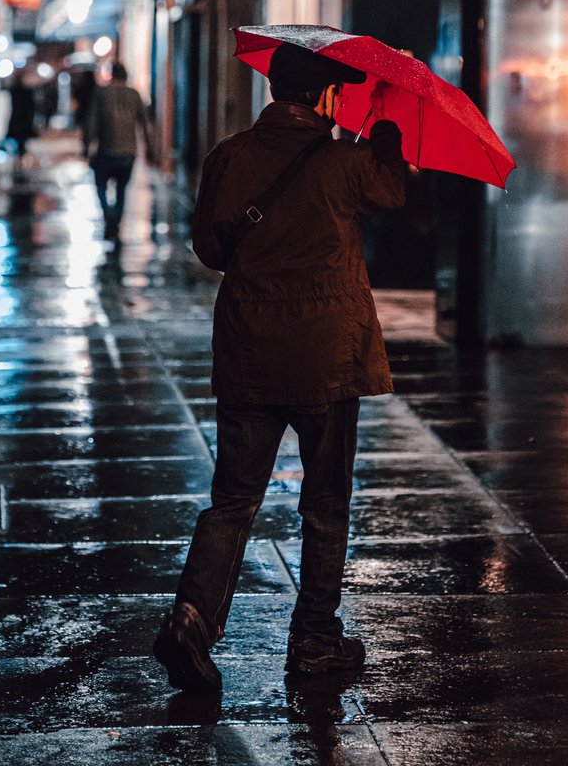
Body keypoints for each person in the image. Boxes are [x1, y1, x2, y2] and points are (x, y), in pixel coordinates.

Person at [153, 42, 407, 692]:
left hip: (249, 351)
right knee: (324, 504)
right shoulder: (347, 163)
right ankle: (316, 643)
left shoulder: (229, 156)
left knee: (233, 499)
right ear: (324, 98)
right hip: (325, 357)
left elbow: (210, 250)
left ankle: (191, 619)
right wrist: (382, 133)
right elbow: (391, 192)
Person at [85, 62, 156, 239]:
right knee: (121, 190)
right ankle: (115, 220)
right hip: (128, 152)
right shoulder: (134, 95)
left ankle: (109, 215)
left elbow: (91, 123)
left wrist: (87, 146)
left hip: (105, 151)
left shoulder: (100, 94)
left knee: (100, 185)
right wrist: (150, 148)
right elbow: (144, 124)